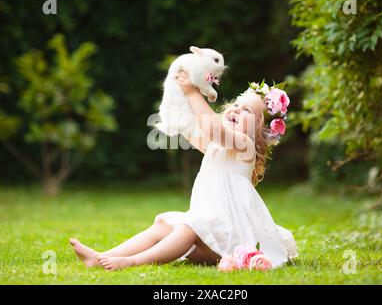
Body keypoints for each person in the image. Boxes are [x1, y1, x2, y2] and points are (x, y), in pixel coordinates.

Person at [70, 71, 298, 270]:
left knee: (190, 226)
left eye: (246, 110)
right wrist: (181, 100)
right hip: (208, 234)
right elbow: (195, 130)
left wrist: (193, 93)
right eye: (236, 105)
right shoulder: (217, 145)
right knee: (163, 226)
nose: (237, 110)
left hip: (228, 239)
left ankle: (133, 262)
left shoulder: (244, 145)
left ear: (258, 129)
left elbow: (214, 127)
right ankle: (102, 257)